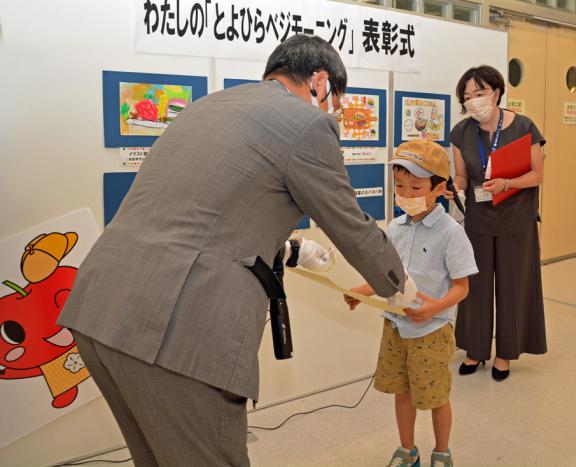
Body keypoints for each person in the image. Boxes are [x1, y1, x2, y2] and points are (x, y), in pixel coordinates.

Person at [58, 35, 418, 467]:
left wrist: (288, 250)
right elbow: (350, 224)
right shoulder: (308, 123)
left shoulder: (208, 107)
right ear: (319, 83)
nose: (333, 112)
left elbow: (203, 215)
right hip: (171, 331)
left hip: (99, 310)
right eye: (335, 102)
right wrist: (399, 285)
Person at [344, 140, 478, 467]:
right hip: (396, 328)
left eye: (416, 186)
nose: (405, 193)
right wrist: (361, 291)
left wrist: (434, 308)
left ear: (439, 188)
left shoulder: (451, 233)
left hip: (431, 332)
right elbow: (391, 276)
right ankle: (408, 450)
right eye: (400, 186)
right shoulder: (395, 227)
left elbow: (462, 288)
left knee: (435, 398)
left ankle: (442, 452)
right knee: (402, 393)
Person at [449, 65, 547, 382]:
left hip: (516, 220)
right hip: (478, 219)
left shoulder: (525, 127)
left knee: (512, 286)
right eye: (467, 97)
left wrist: (507, 183)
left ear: (497, 92)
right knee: (475, 287)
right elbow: (463, 176)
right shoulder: (461, 132)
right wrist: (455, 187)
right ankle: (476, 350)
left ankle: (505, 353)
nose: (473, 101)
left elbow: (537, 175)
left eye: (479, 93)